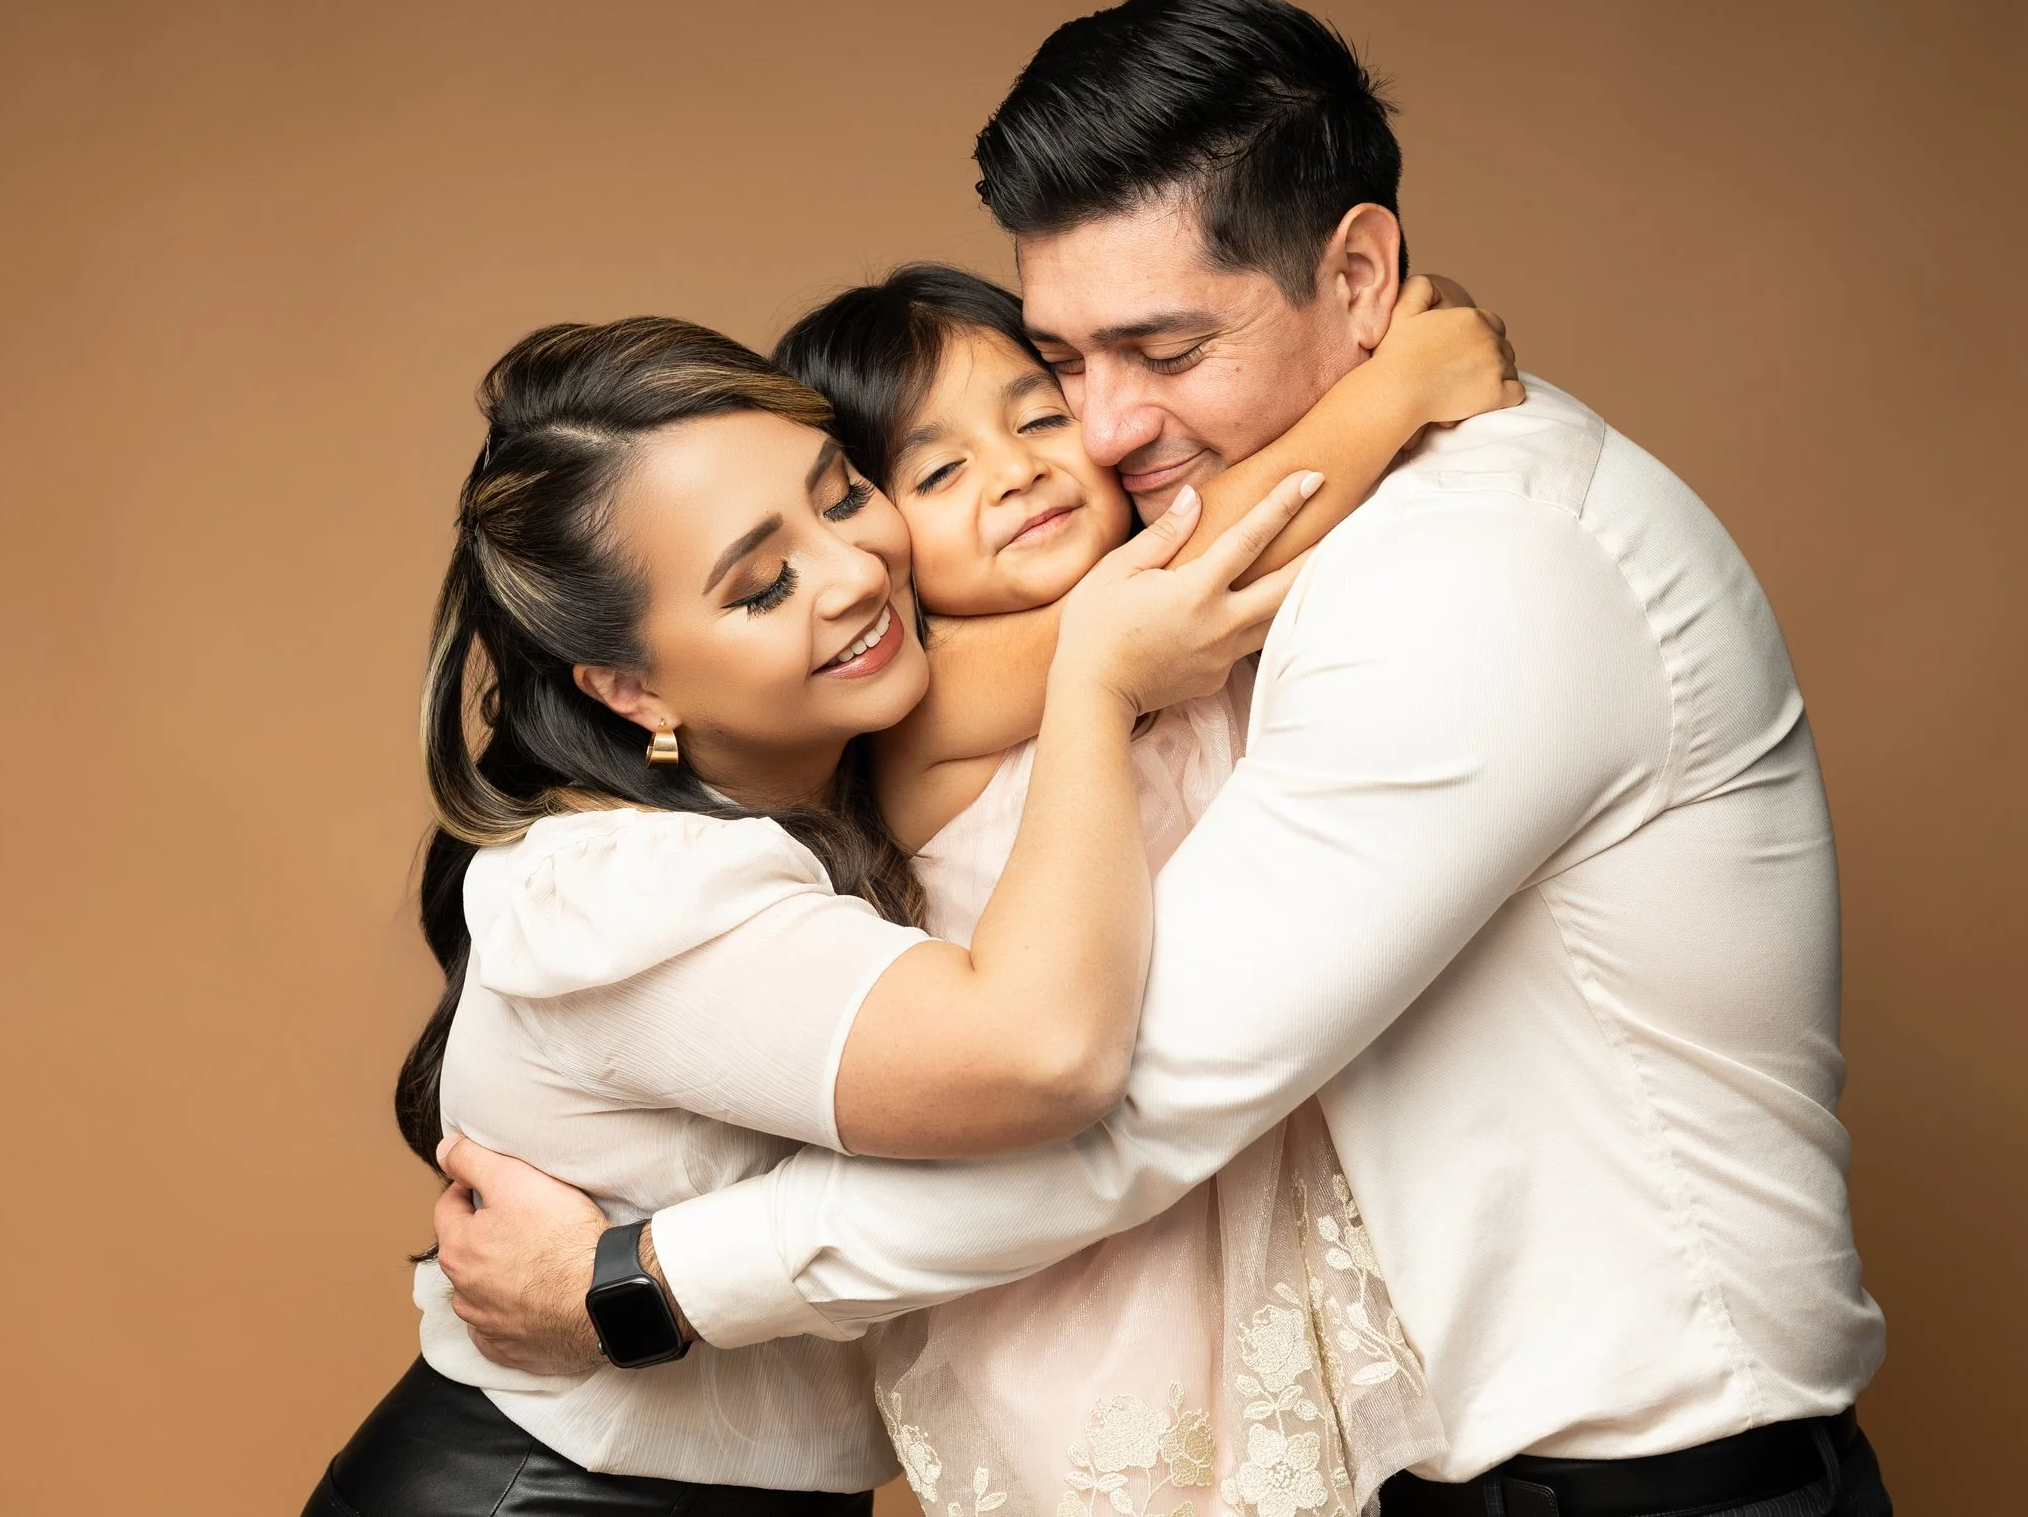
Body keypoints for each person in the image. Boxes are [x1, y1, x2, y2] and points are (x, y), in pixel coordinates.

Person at [435, 0, 1896, 1517]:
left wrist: (645, 1278)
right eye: (1067, 359)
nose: (1108, 430)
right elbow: (1168, 593)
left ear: (1358, 268)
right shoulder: (1162, 599)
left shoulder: (1474, 569)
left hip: (1651, 1485)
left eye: (1163, 347)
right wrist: (1391, 383)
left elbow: (1131, 1102)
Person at [301, 315, 1319, 1515]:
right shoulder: (630, 888)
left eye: (842, 497)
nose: (852, 574)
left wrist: (1393, 378)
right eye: (761, 584)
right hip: (546, 1493)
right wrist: (1099, 676)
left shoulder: (837, 772)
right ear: (632, 686)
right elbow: (1042, 1058)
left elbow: (1205, 554)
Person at [770, 262, 1517, 1513]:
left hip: (1235, 1184)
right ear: (871, 534)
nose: (1013, 470)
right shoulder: (931, 698)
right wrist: (1405, 382)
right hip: (1085, 1267)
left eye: (1040, 415)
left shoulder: (1159, 625)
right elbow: (1233, 530)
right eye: (938, 471)